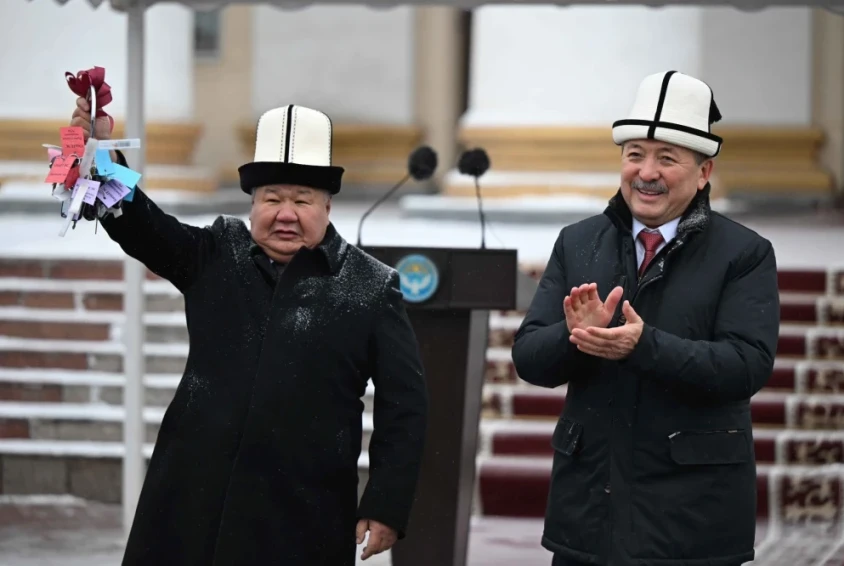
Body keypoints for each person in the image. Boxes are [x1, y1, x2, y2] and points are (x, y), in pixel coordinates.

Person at [69, 99, 429, 565]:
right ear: (253, 204)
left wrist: (385, 502)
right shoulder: (216, 252)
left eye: (302, 200)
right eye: (272, 199)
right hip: (190, 505)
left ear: (327, 205)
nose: (286, 214)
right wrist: (102, 158)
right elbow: (143, 225)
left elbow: (406, 404)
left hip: (302, 518)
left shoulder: (371, 286)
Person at [511, 70, 780, 566]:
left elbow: (746, 365)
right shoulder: (578, 242)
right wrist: (577, 336)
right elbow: (529, 358)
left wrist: (643, 345)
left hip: (693, 522)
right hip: (588, 517)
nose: (646, 172)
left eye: (667, 158)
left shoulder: (744, 253)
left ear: (704, 172)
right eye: (635, 154)